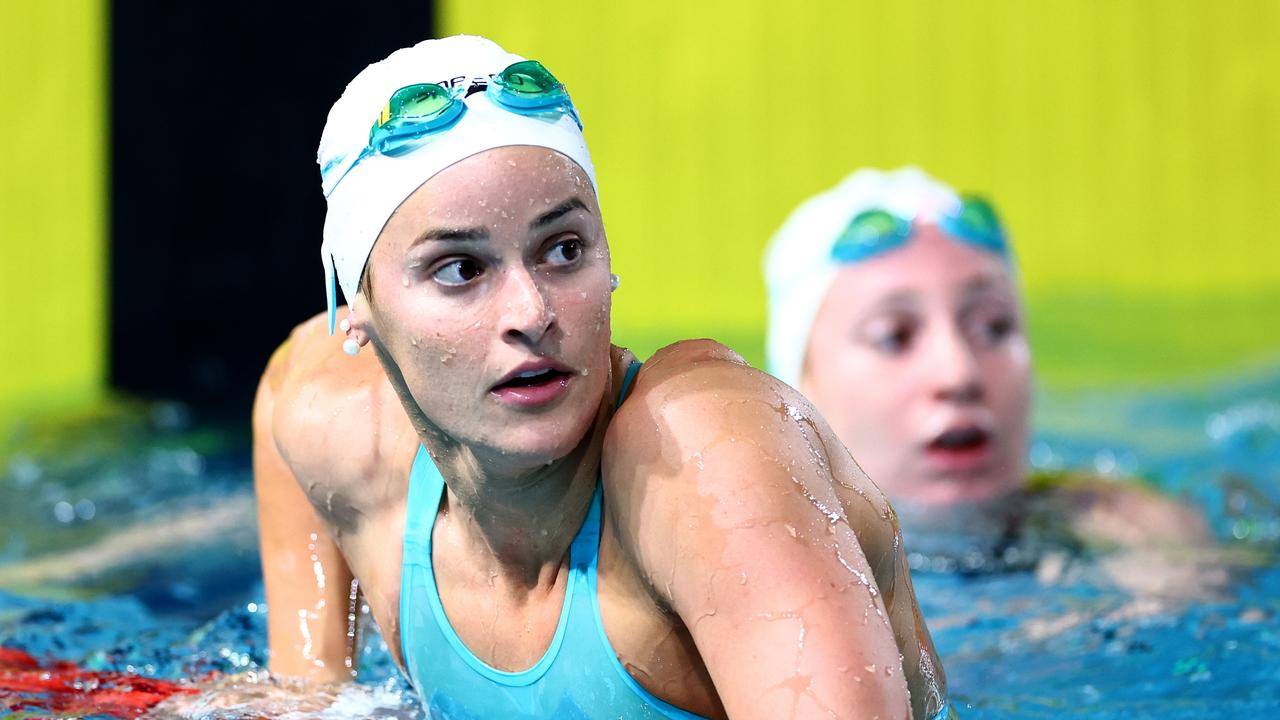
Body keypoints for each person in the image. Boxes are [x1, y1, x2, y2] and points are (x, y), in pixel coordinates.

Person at [253, 37, 954, 719]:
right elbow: (309, 705)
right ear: (358, 314)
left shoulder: (707, 464)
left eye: (563, 250)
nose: (531, 311)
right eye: (461, 270)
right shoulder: (335, 423)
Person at [763, 167, 1213, 579]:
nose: (959, 373)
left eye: (993, 327)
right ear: (799, 395)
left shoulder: (1137, 531)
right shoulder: (768, 570)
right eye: (894, 336)